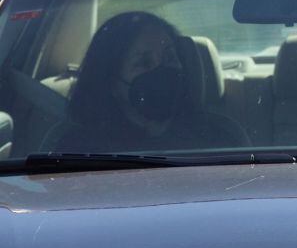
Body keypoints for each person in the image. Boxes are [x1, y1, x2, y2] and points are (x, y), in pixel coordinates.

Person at [49, 11, 247, 153]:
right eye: (143, 62)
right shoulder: (75, 150)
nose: (161, 71)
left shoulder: (222, 136)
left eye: (169, 57)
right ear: (111, 82)